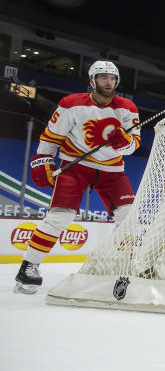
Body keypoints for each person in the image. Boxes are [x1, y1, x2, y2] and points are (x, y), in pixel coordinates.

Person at [16, 61, 140, 293]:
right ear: (92, 80)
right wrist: (44, 160)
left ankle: (121, 267)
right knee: (60, 216)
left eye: (112, 78)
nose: (108, 82)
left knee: (129, 216)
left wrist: (124, 144)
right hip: (76, 166)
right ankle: (28, 267)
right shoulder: (71, 104)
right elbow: (51, 136)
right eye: (103, 77)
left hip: (112, 170)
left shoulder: (127, 108)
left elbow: (134, 145)